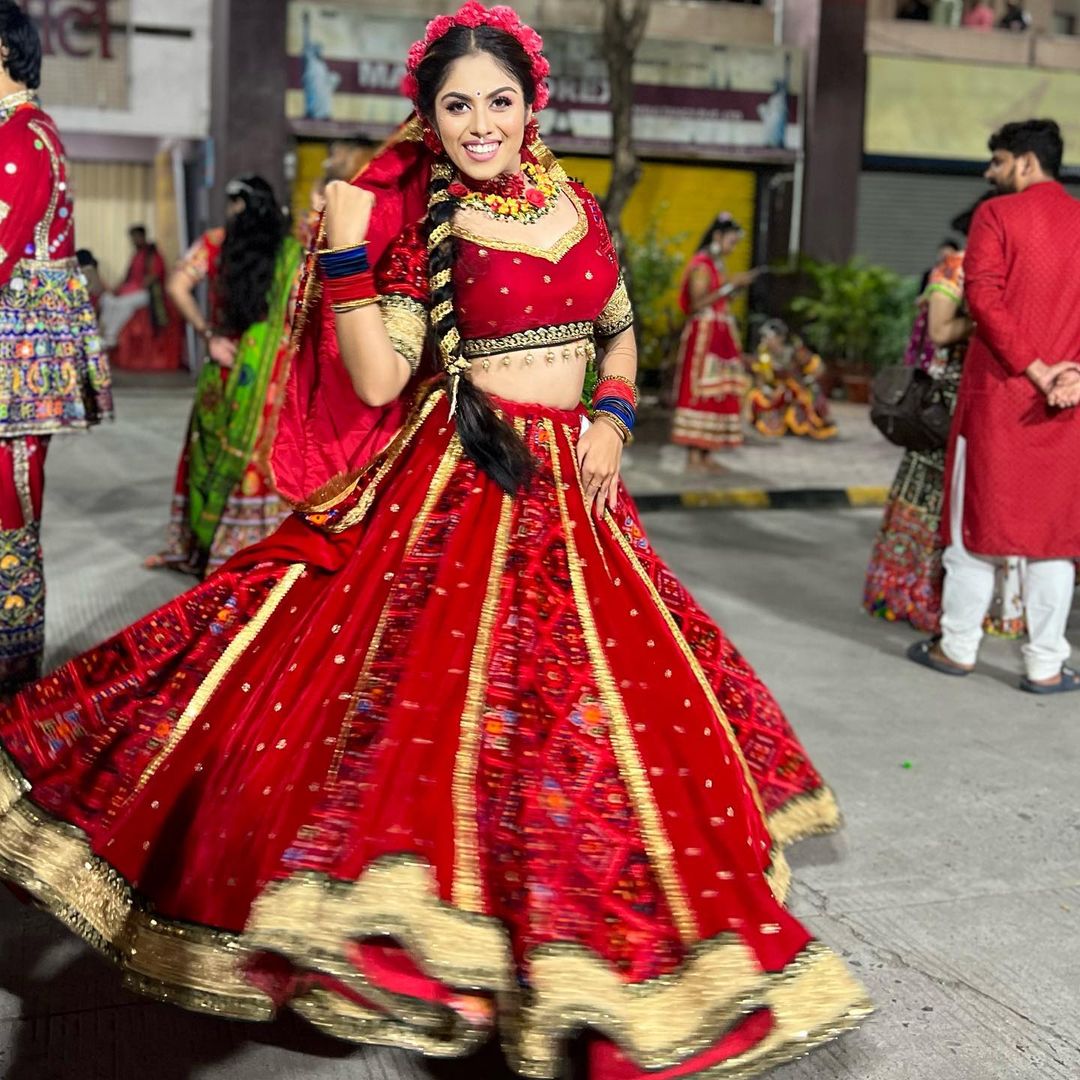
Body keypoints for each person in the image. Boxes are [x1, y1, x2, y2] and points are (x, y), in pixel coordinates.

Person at [0, 5, 870, 1076]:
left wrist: (612, 417)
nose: (480, 123)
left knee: (594, 737)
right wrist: (349, 249)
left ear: (532, 104)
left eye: (499, 100)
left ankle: (588, 959)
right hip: (464, 491)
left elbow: (619, 331)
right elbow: (377, 380)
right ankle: (478, 956)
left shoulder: (577, 206)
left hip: (580, 497)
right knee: (451, 737)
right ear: (430, 117)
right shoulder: (426, 229)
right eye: (457, 106)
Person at [907, 119, 1080, 693]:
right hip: (1065, 406)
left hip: (1000, 400)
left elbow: (983, 297)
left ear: (1027, 162)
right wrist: (1071, 375)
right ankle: (1046, 665)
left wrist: (1034, 368)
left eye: (999, 161)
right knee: (1054, 539)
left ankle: (957, 648)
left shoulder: (997, 215)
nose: (991, 172)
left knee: (974, 527)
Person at [0, 2, 112, 693]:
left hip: (16, 367)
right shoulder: (23, 131)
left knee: (8, 513)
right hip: (15, 361)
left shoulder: (22, 138)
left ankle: (11, 676)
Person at [865, 199, 1024, 636]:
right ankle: (912, 594)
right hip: (947, 400)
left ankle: (986, 608)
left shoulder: (1012, 270)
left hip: (996, 396)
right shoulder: (955, 268)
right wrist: (987, 318)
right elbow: (938, 331)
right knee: (930, 494)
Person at [148, 176, 303, 576]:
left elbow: (177, 285)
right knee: (258, 455)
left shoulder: (214, 242)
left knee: (211, 448)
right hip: (270, 371)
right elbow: (297, 311)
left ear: (237, 207)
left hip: (223, 359)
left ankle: (206, 544)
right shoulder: (290, 251)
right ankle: (255, 546)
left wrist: (208, 334)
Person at [670, 214, 761, 470]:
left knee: (719, 391)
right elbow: (697, 303)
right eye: (731, 242)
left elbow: (720, 298)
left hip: (719, 337)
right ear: (717, 237)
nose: (733, 248)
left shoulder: (716, 265)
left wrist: (734, 286)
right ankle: (694, 456)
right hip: (704, 338)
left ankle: (707, 453)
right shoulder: (702, 265)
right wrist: (730, 285)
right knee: (702, 390)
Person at [749, 318, 837, 440]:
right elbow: (760, 378)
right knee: (756, 396)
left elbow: (819, 367)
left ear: (780, 338)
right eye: (763, 337)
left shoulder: (794, 352)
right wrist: (765, 388)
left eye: (768, 337)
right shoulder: (764, 356)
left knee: (809, 395)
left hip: (797, 391)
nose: (765, 340)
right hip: (777, 393)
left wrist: (809, 379)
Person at [98, 225, 168, 347]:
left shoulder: (152, 254)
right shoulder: (136, 254)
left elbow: (154, 276)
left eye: (136, 237)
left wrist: (135, 288)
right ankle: (102, 334)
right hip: (131, 291)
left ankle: (111, 335)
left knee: (124, 304)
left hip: (147, 293)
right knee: (107, 299)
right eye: (132, 238)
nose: (134, 240)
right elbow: (127, 276)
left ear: (143, 236)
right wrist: (118, 289)